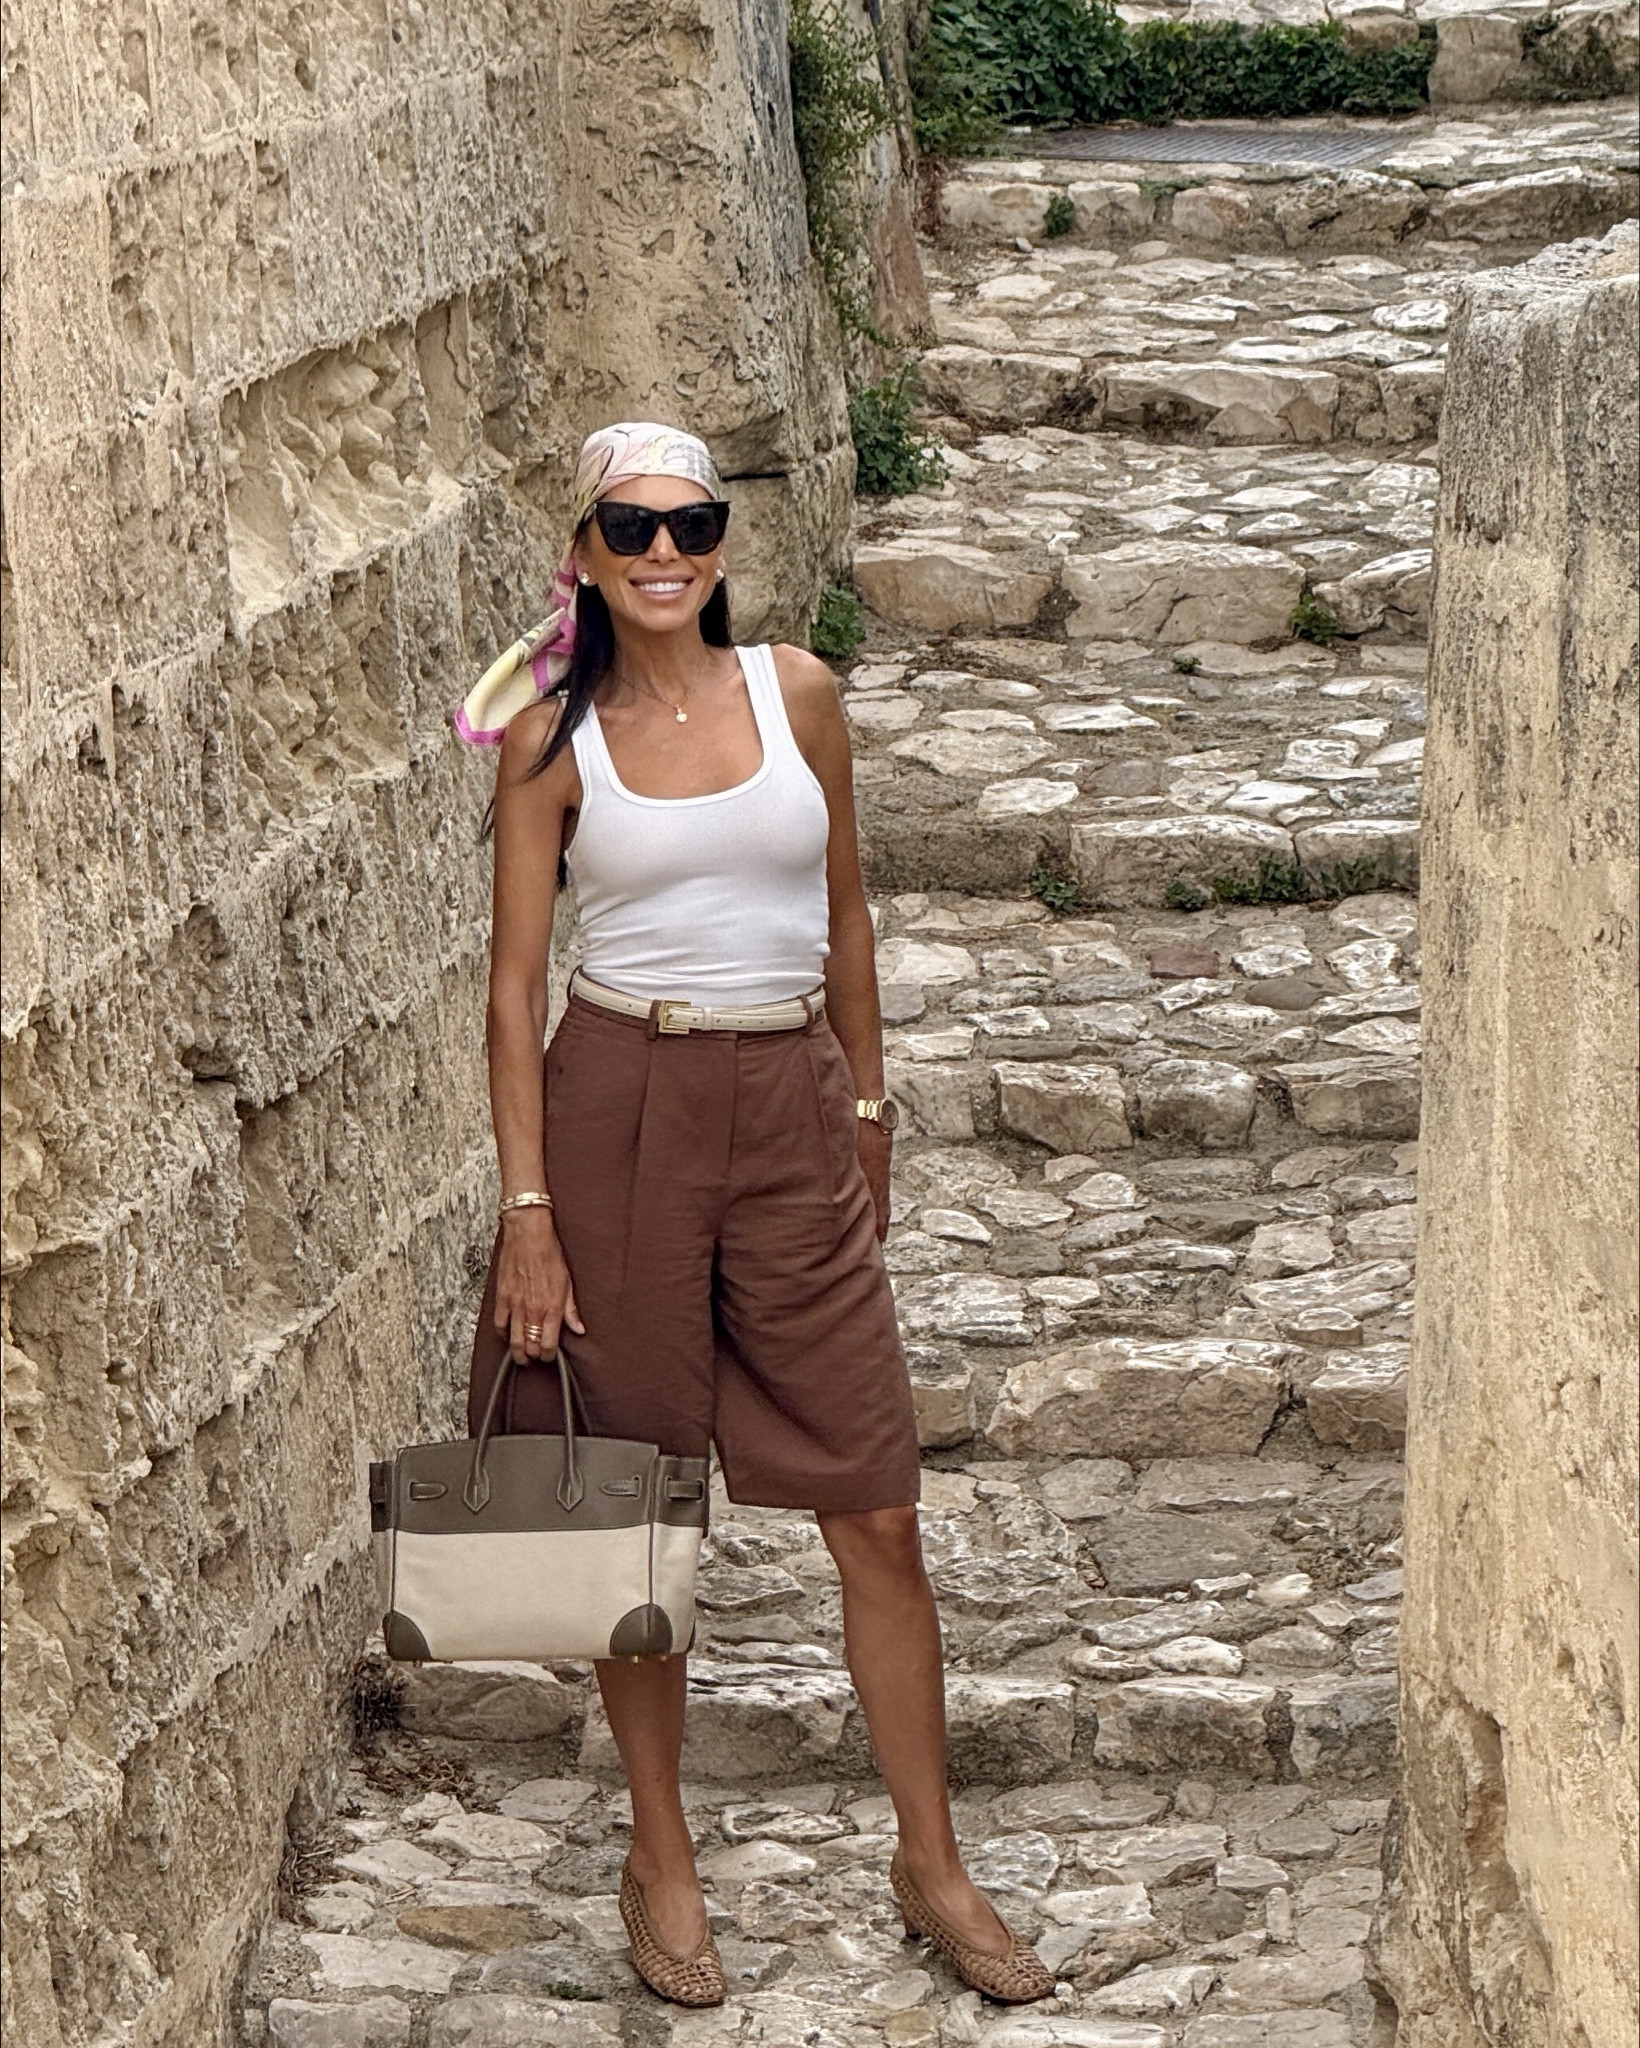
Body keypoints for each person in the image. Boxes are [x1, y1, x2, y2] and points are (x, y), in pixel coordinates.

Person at [457, 422, 1054, 2011]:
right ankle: (661, 1851)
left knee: (876, 1497)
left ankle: (929, 1860)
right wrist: (528, 1208)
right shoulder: (547, 739)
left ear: (723, 538)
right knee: (636, 1509)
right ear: (583, 549)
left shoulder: (799, 694)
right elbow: (515, 990)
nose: (665, 555)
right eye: (630, 531)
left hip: (789, 1104)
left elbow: (844, 905)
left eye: (691, 525)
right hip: (614, 1112)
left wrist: (866, 1103)